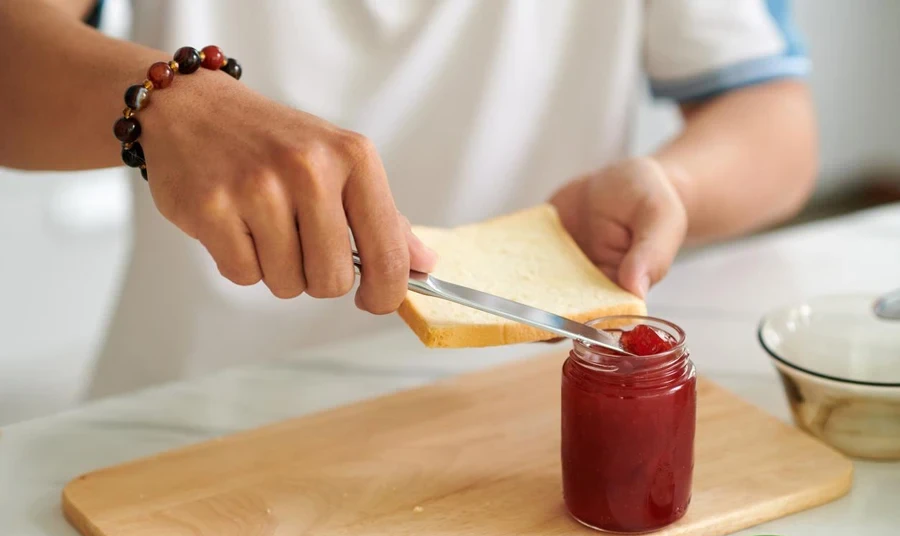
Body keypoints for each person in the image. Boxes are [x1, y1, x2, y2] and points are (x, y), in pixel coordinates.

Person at [0, 0, 817, 399]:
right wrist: (165, 102)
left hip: (516, 421)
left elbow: (776, 122)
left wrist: (675, 184)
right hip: (190, 408)